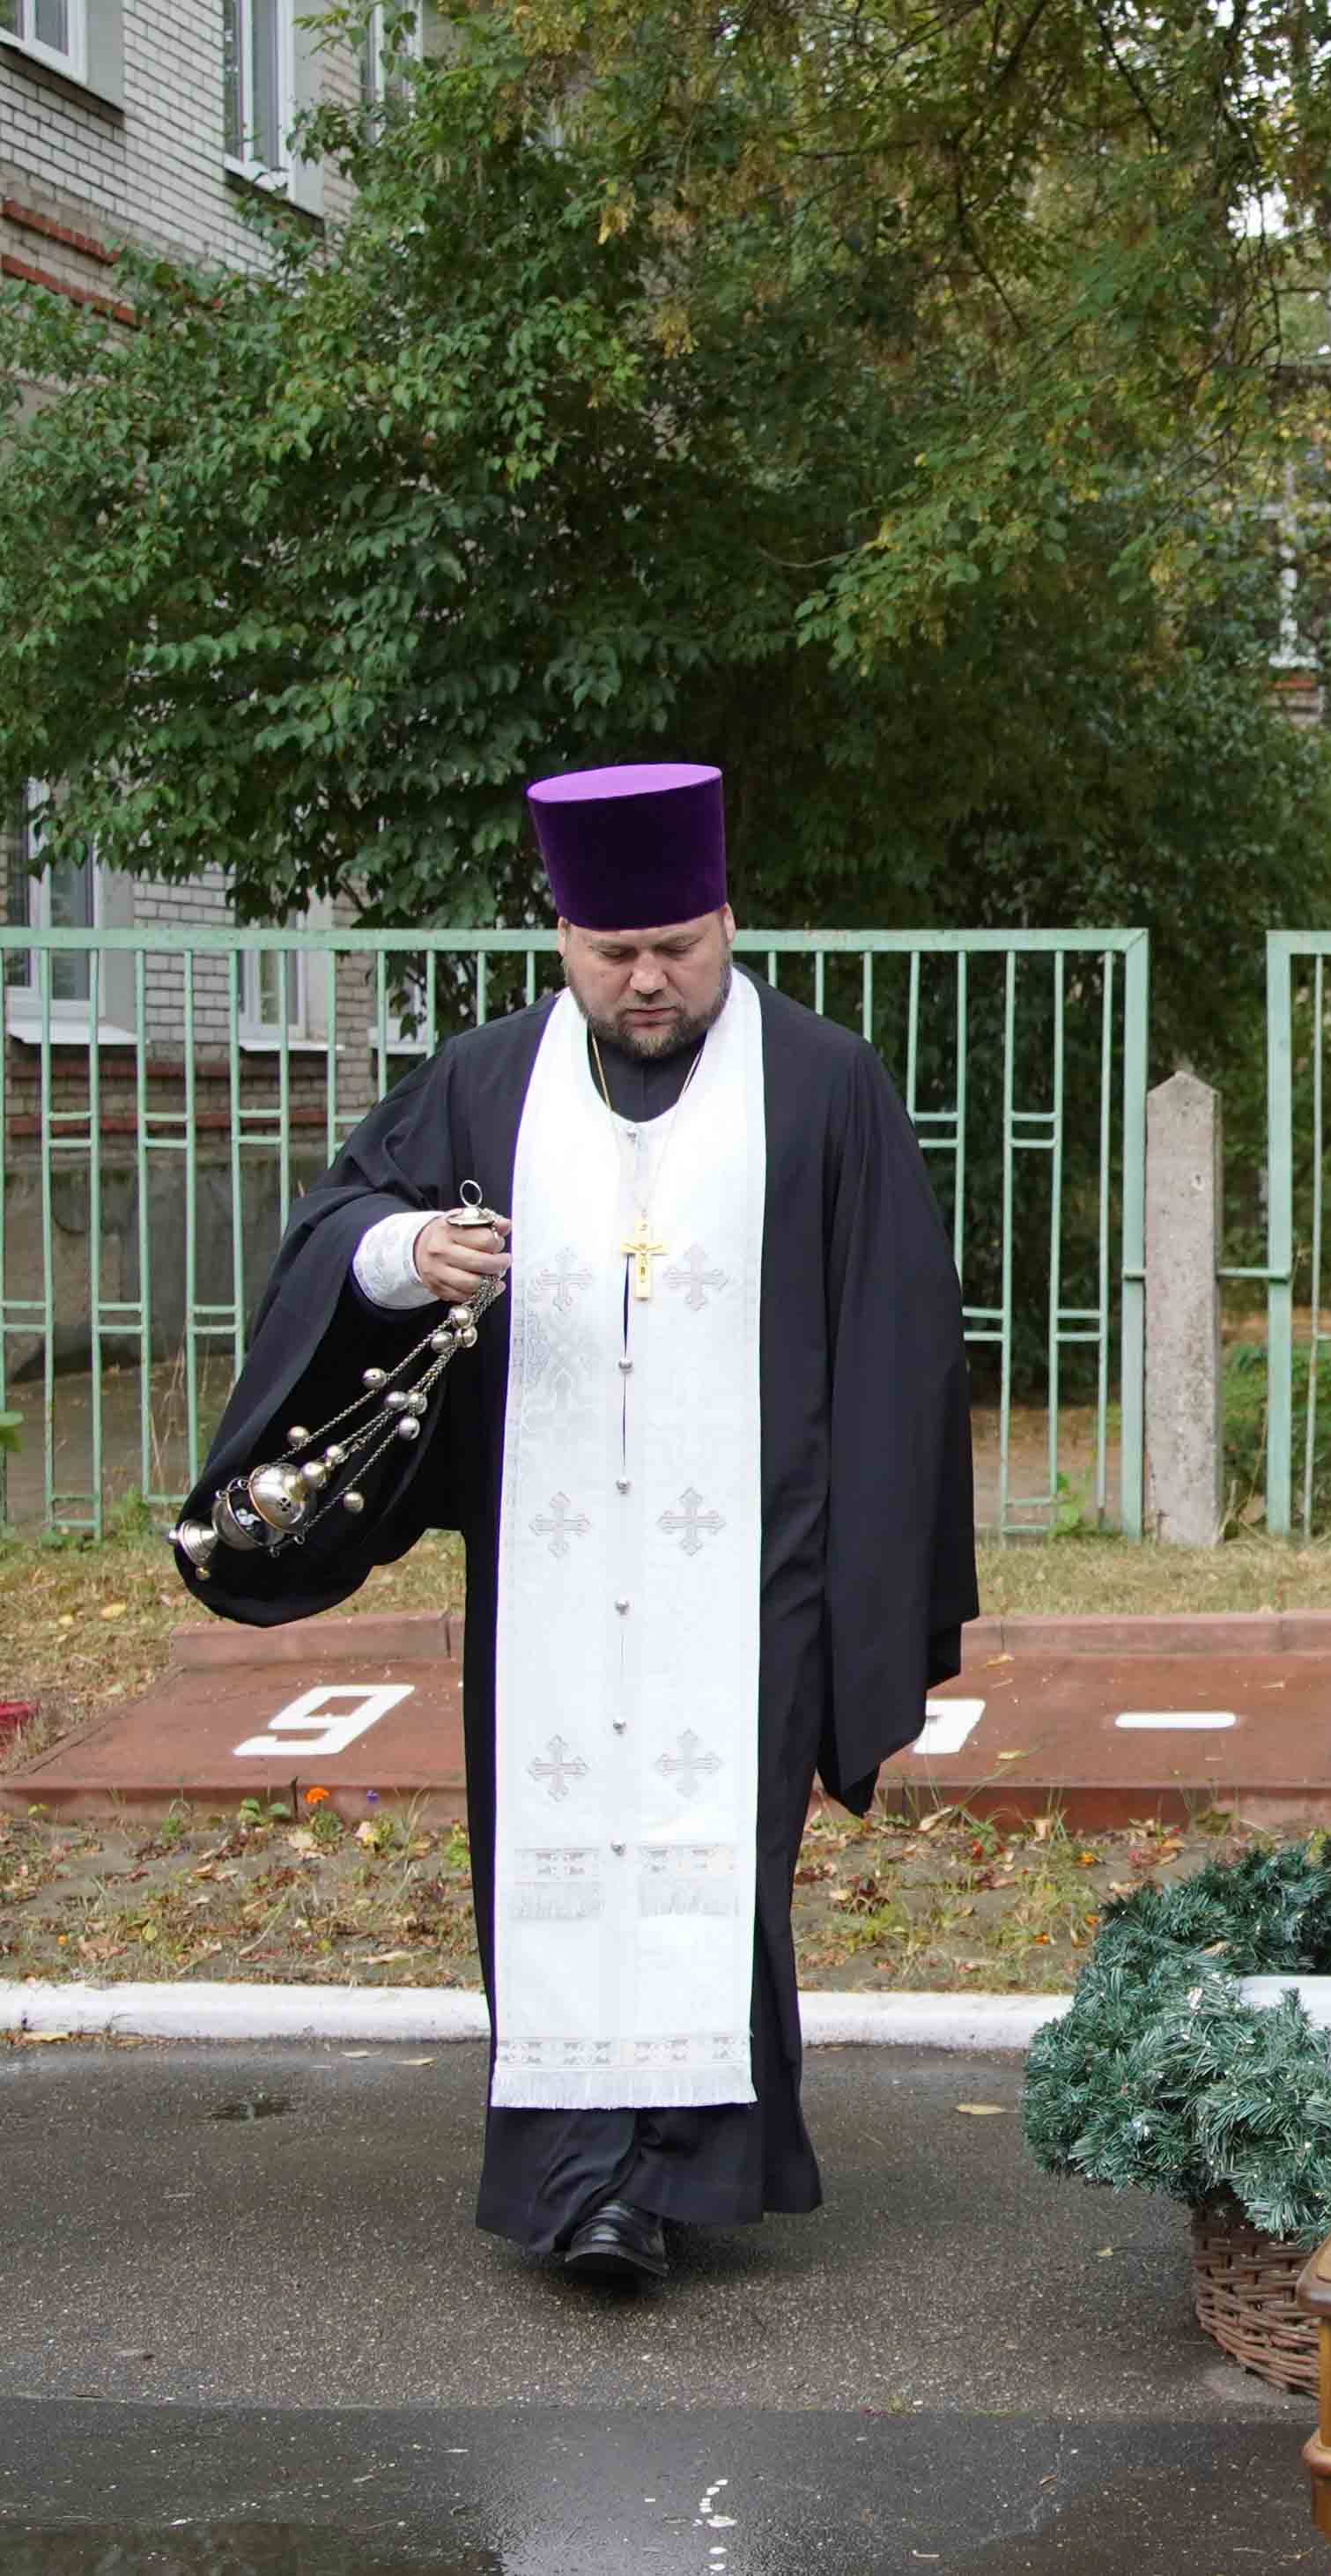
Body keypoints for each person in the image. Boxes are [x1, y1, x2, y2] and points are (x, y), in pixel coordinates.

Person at [174, 761, 978, 2284]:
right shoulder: (487, 1083)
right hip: (547, 1569)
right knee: (549, 1847)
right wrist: (411, 1251)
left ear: (726, 922)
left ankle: (670, 2173)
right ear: (563, 940)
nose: (647, 980)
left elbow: (899, 1340)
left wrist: (871, 1583)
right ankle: (581, 2182)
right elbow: (340, 1231)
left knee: (717, 1857)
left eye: (676, 945)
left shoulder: (823, 1086)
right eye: (614, 953)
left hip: (753, 1567)